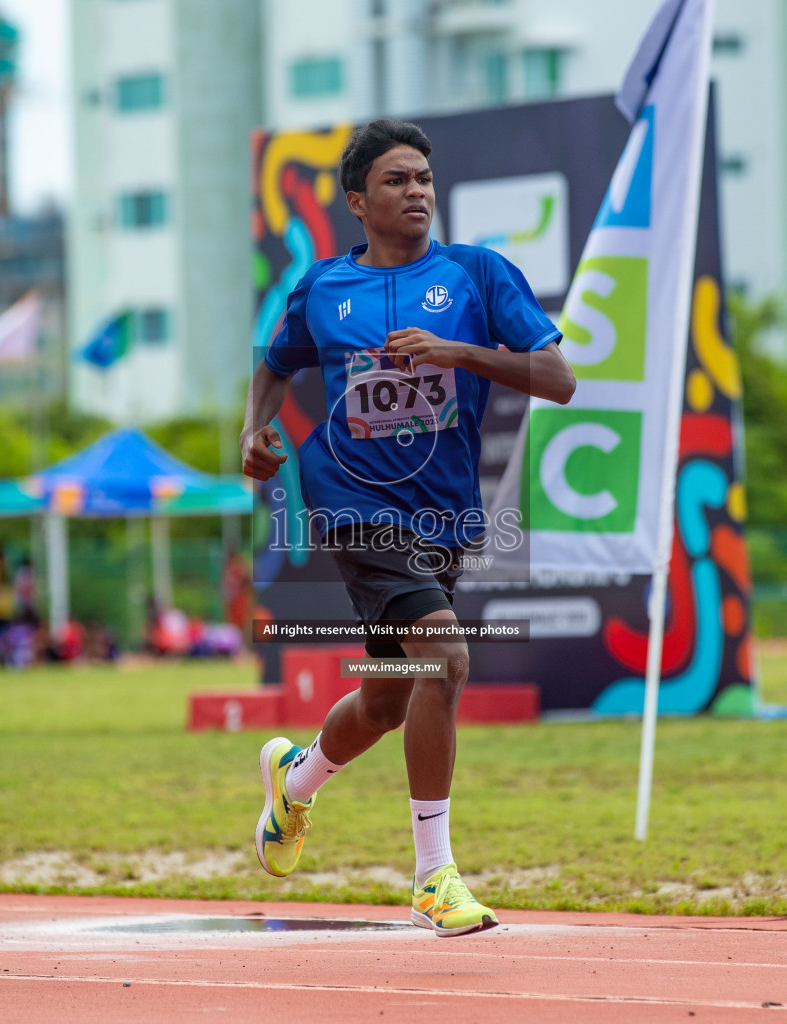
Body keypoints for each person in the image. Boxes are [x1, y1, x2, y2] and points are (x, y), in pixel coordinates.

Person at [239, 119, 576, 936]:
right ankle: (435, 876)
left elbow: (558, 378)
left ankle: (297, 778)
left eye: (424, 178)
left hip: (444, 516)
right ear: (358, 200)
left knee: (390, 698)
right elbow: (276, 363)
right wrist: (254, 431)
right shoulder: (323, 289)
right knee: (446, 658)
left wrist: (459, 353)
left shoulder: (476, 275)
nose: (417, 191)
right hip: (353, 503)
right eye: (396, 180)